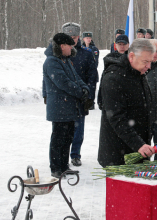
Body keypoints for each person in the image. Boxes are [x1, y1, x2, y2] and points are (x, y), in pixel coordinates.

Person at [98, 39, 155, 167]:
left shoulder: (138, 72)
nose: (149, 66)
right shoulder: (113, 77)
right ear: (131, 56)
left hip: (138, 149)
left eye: (150, 62)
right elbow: (116, 118)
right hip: (119, 153)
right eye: (145, 62)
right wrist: (138, 144)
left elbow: (145, 105)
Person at [43, 33, 90, 178]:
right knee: (58, 138)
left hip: (69, 107)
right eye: (70, 46)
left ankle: (64, 166)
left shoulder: (65, 60)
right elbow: (63, 83)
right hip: (59, 107)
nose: (71, 48)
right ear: (62, 46)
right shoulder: (52, 61)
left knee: (68, 137)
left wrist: (85, 89)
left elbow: (76, 78)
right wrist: (79, 92)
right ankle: (56, 167)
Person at [61, 22, 98, 166]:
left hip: (80, 98)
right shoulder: (57, 55)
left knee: (78, 129)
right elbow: (47, 77)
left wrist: (90, 97)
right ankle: (62, 155)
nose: (72, 39)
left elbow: (92, 77)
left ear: (78, 37)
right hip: (63, 99)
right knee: (62, 130)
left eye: (75, 36)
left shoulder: (86, 54)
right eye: (69, 36)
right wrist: (47, 94)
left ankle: (75, 154)